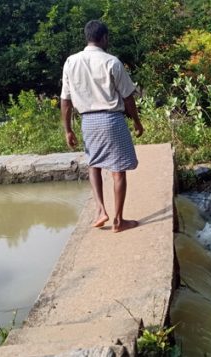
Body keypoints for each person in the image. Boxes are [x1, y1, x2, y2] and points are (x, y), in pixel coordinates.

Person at [60, 19, 144, 233]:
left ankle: (100, 210)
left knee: (93, 164)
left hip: (88, 121)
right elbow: (127, 97)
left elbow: (66, 100)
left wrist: (68, 129)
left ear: (87, 37)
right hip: (111, 120)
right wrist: (136, 121)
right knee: (118, 171)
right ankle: (118, 221)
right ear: (104, 37)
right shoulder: (112, 62)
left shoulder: (71, 62)